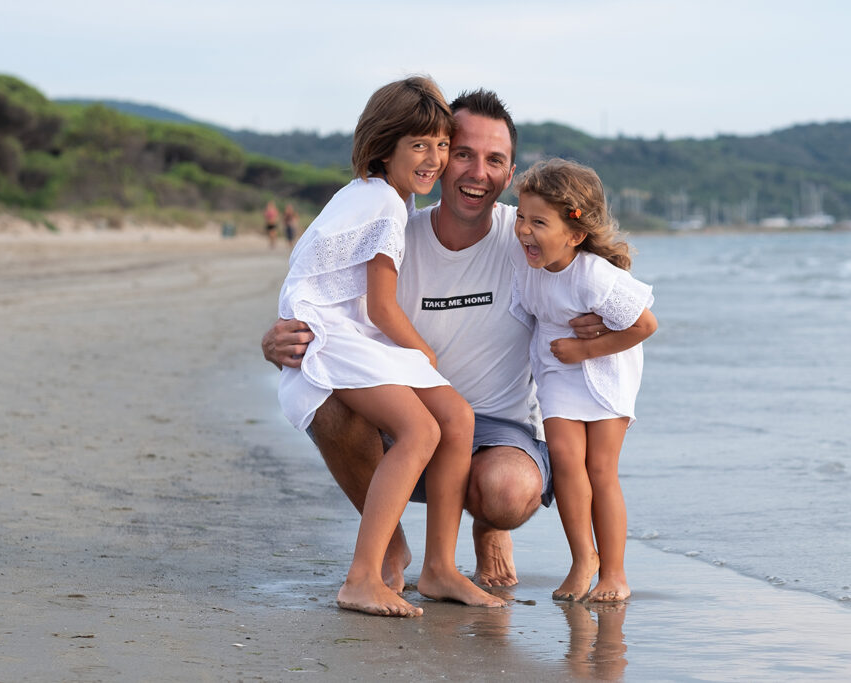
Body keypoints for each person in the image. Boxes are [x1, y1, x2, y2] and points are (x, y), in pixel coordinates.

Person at [261, 89, 610, 590]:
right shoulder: (396, 230)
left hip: (495, 433)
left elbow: (601, 271)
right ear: (443, 160)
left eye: (494, 160)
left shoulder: (528, 238)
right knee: (329, 405)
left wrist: (605, 323)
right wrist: (278, 345)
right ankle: (388, 545)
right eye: (462, 153)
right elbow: (327, 305)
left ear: (510, 176)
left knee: (509, 492)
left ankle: (486, 528)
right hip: (405, 420)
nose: (476, 172)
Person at [277, 76, 503, 617]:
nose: (434, 158)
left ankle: (440, 569)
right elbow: (380, 308)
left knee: (456, 416)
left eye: (441, 144)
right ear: (384, 148)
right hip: (331, 337)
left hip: (343, 331)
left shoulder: (377, 198)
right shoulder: (382, 204)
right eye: (419, 145)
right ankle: (361, 577)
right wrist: (421, 353)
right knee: (423, 427)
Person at [510, 159, 657, 602]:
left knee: (600, 470)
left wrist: (587, 349)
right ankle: (582, 560)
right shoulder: (528, 269)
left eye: (538, 222)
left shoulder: (594, 276)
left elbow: (644, 325)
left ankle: (614, 573)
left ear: (575, 234)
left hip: (605, 372)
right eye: (520, 217)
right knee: (567, 463)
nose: (523, 231)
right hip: (556, 372)